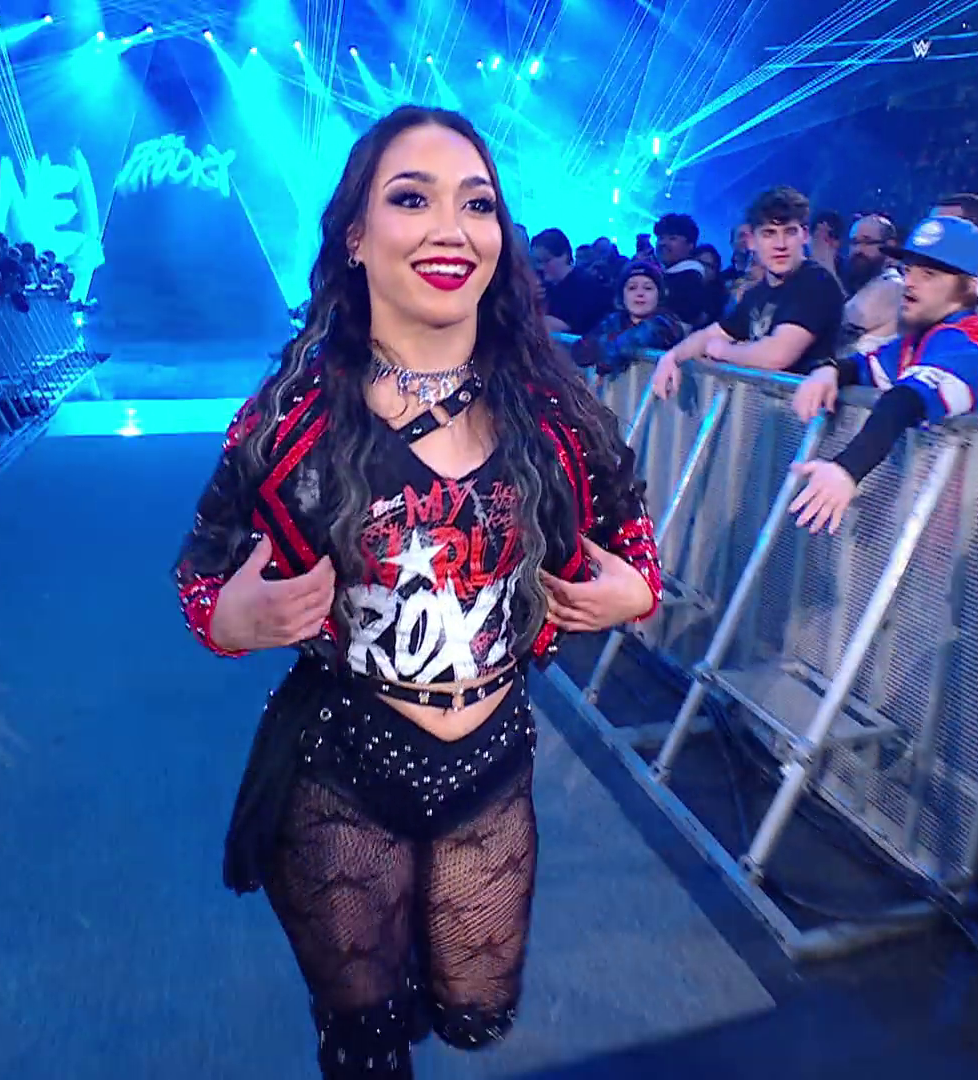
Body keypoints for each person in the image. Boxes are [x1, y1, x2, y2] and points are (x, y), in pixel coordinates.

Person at [172, 106, 662, 1080]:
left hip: (493, 766)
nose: (451, 228)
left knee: (475, 1015)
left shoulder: (557, 411)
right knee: (367, 1044)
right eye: (411, 198)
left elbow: (631, 532)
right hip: (339, 765)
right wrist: (232, 618)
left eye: (476, 204)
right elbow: (201, 571)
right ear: (355, 236)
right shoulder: (289, 421)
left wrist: (634, 594)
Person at [784, 215, 978, 534]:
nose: (909, 282)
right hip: (926, 509)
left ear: (967, 287)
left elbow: (904, 401)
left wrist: (847, 468)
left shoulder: (968, 342)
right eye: (908, 269)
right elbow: (863, 365)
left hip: (967, 523)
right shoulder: (920, 336)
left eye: (928, 274)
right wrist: (828, 371)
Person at [650, 185, 845, 397]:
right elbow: (713, 333)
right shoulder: (756, 294)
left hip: (811, 412)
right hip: (771, 410)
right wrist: (672, 357)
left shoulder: (816, 281)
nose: (780, 244)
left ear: (804, 235)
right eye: (769, 233)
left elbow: (777, 355)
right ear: (752, 241)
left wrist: (723, 351)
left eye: (789, 232)